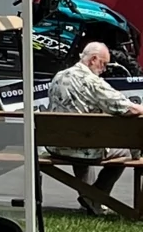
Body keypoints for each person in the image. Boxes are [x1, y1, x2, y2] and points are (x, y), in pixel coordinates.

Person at [46, 42, 143, 211]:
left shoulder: (58, 77)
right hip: (82, 146)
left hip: (56, 145)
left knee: (81, 140)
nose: (104, 69)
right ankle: (95, 194)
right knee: (123, 151)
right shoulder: (92, 82)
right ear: (93, 60)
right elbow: (127, 108)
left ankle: (91, 199)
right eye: (103, 63)